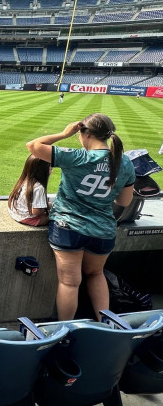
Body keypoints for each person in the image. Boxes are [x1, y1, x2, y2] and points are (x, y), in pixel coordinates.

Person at [26, 113, 135, 321]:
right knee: (96, 274)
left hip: (68, 227)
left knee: (69, 282)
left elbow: (33, 145)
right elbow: (124, 201)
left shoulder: (77, 157)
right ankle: (106, 325)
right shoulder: (126, 163)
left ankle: (65, 331)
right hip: (103, 231)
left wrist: (65, 133)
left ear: (85, 133)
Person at [8, 154, 51, 226]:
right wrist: (46, 210)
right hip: (26, 218)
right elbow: (36, 211)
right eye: (49, 167)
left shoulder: (24, 180)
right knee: (56, 214)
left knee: (51, 205)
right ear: (42, 170)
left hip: (14, 212)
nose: (51, 168)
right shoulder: (39, 187)